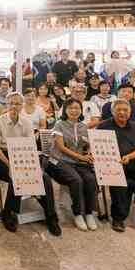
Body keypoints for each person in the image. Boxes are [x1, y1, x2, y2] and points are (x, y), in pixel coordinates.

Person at [0, 92, 61, 236]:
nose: (14, 106)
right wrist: (10, 164)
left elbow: (30, 146)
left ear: (22, 106)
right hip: (3, 157)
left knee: (45, 178)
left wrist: (35, 165)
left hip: (23, 155)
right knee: (15, 177)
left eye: (17, 103)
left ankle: (50, 216)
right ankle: (9, 213)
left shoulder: (27, 122)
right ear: (6, 105)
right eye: (11, 103)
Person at [96, 99, 135, 235]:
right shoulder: (103, 126)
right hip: (113, 165)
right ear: (112, 112)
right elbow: (96, 146)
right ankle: (118, 218)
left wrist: (129, 156)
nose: (122, 112)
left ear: (130, 112)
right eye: (118, 110)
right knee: (120, 183)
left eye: (125, 110)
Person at [46, 99, 98, 232]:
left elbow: (86, 145)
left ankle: (89, 213)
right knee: (76, 180)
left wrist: (89, 152)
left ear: (81, 110)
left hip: (79, 163)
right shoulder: (59, 124)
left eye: (77, 108)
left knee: (91, 180)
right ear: (65, 110)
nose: (74, 111)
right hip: (59, 161)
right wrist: (81, 157)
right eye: (70, 108)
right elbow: (61, 148)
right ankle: (78, 214)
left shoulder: (83, 126)